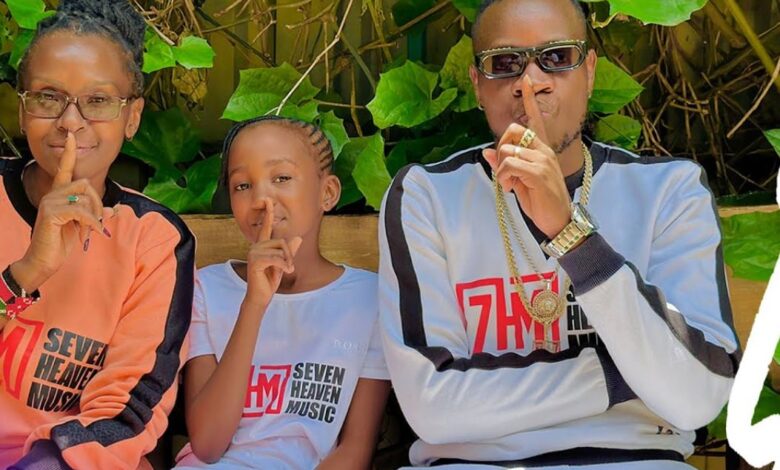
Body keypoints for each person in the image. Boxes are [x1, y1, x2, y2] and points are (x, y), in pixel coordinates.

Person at [377, 0, 739, 468]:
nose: (531, 81)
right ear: (478, 84)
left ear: (588, 72)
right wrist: (628, 374)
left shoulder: (668, 192)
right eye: (504, 63)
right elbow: (434, 408)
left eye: (557, 57)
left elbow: (695, 397)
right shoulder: (428, 196)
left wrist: (571, 234)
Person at [0, 1, 194, 468]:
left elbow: (129, 410)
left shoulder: (153, 239)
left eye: (99, 101)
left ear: (132, 117)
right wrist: (26, 273)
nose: (71, 120)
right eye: (48, 96)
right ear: (23, 110)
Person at [175, 116, 390, 470]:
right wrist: (254, 304)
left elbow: (355, 451)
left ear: (328, 193)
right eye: (242, 185)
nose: (261, 198)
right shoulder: (207, 289)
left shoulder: (368, 300)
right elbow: (208, 444)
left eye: (282, 178)